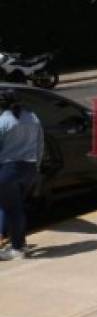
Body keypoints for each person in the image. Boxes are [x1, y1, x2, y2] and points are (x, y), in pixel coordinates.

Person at [0, 89, 43, 261]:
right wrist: (37, 167)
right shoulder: (33, 118)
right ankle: (20, 243)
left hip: (8, 169)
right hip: (29, 169)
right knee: (16, 207)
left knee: (13, 209)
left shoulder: (3, 121)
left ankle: (17, 248)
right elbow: (40, 145)